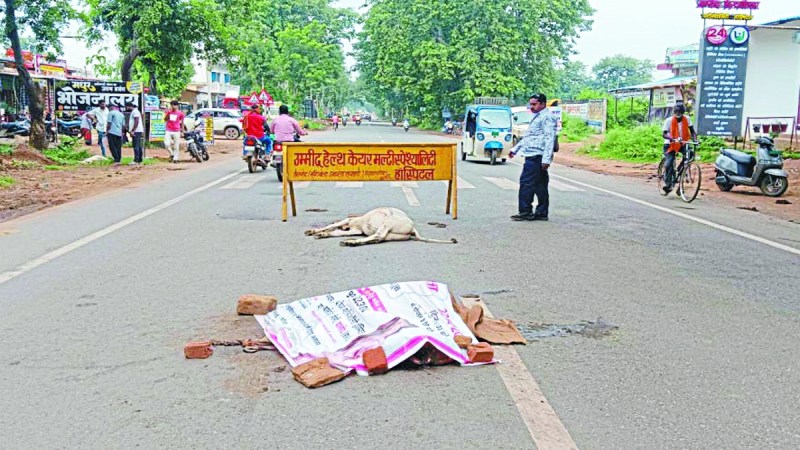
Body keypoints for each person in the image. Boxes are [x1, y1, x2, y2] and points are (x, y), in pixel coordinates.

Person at [509, 93, 556, 221]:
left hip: (537, 156)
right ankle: (541, 213)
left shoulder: (546, 117)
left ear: (542, 103)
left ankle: (525, 211)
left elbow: (549, 138)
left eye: (534, 104)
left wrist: (546, 159)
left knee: (526, 183)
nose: (531, 107)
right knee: (540, 185)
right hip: (533, 154)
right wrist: (515, 149)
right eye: (531, 104)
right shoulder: (537, 117)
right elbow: (530, 137)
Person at [661, 103, 696, 194]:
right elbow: (664, 134)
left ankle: (681, 171)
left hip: (683, 143)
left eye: (679, 111)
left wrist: (695, 139)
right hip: (670, 144)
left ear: (683, 112)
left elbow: (692, 132)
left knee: (690, 154)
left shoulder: (687, 119)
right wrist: (672, 138)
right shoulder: (669, 120)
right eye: (675, 111)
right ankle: (668, 184)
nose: (677, 113)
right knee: (669, 163)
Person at [126, 102, 144, 166]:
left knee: (136, 146)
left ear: (129, 106)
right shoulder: (135, 111)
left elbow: (136, 121)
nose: (126, 108)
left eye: (127, 107)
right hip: (137, 131)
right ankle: (139, 160)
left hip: (136, 131)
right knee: (138, 146)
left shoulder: (135, 112)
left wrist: (133, 130)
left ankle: (136, 160)